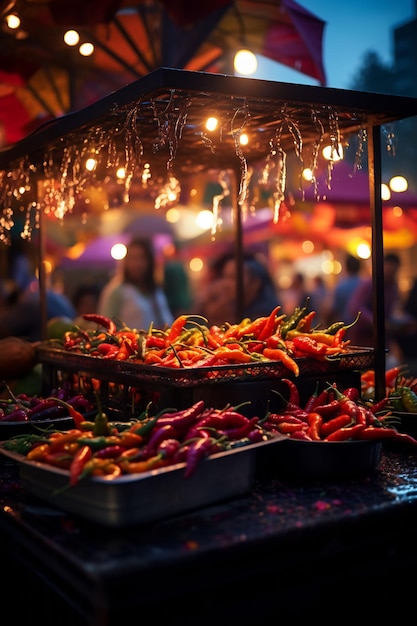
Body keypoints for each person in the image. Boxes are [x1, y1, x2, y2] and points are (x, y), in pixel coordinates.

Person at [97, 237, 174, 330]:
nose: (137, 264)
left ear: (150, 261)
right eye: (132, 258)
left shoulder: (155, 289)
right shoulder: (116, 291)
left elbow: (167, 321)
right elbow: (105, 328)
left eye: (142, 258)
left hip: (160, 343)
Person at [197, 251, 280, 326]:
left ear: (255, 283)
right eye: (225, 277)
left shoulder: (265, 316)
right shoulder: (227, 306)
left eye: (233, 278)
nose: (226, 284)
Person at [347, 252, 402, 357]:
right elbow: (354, 307)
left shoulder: (393, 288)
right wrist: (375, 321)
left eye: (394, 271)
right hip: (363, 340)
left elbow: (391, 311)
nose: (391, 273)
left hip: (381, 341)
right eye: (389, 269)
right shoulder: (369, 284)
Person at [0, 275, 76, 342]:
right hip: (68, 343)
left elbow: (3, 328)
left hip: (46, 349)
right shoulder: (52, 296)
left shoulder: (27, 304)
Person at [328, 254, 362, 324]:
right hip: (363, 326)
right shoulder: (365, 285)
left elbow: (334, 309)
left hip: (346, 325)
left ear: (346, 268)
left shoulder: (341, 287)